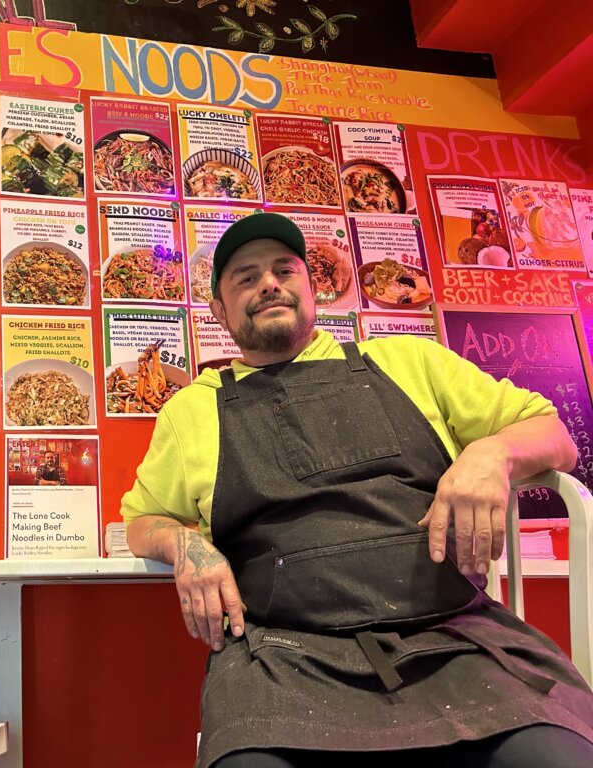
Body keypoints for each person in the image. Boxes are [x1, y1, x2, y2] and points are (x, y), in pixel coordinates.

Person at [122, 212, 593, 768]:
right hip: (282, 662)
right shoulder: (191, 411)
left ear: (312, 288)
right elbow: (143, 520)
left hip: (459, 644)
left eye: (283, 269)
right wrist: (185, 544)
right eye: (245, 277)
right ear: (219, 312)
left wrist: (491, 453)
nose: (269, 282)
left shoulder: (408, 361)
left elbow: (556, 437)